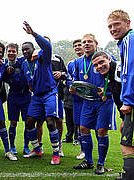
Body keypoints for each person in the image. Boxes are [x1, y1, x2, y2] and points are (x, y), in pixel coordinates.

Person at [71, 34, 116, 175]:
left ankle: (101, 163)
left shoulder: (105, 58)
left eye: (89, 41)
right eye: (84, 42)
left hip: (104, 101)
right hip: (87, 101)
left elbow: (114, 79)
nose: (86, 44)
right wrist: (73, 88)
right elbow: (75, 80)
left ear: (96, 43)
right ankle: (88, 161)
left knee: (101, 131)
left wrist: (106, 90)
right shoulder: (78, 62)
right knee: (83, 128)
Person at [21, 21, 61, 165]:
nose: (25, 52)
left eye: (28, 49)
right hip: (36, 96)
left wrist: (34, 34)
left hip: (50, 93)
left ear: (34, 49)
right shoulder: (24, 63)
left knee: (51, 122)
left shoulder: (43, 57)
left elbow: (47, 46)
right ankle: (37, 149)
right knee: (30, 122)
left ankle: (56, 153)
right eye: (23, 50)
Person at [107, 9, 134, 179]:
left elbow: (129, 72)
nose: (112, 28)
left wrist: (128, 100)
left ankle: (128, 176)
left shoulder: (128, 40)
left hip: (132, 101)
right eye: (110, 26)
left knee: (127, 142)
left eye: (117, 24)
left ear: (128, 23)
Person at [3, 43, 31, 155]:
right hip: (13, 96)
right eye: (9, 51)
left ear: (17, 52)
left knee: (28, 122)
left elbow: (33, 54)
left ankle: (26, 146)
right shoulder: (4, 65)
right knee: (13, 122)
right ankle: (12, 146)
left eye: (13, 51)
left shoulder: (22, 61)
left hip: (25, 96)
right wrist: (7, 73)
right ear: (6, 53)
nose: (11, 53)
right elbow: (2, 79)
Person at [45, 36, 67, 157]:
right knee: (39, 122)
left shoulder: (57, 58)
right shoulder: (37, 57)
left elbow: (66, 73)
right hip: (41, 94)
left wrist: (61, 73)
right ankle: (38, 147)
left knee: (58, 120)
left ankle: (59, 145)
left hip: (57, 94)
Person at [66, 39, 86, 160]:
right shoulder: (71, 63)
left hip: (89, 99)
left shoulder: (91, 60)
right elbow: (69, 79)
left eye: (80, 45)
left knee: (98, 128)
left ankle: (100, 154)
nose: (78, 47)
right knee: (80, 126)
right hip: (77, 99)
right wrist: (70, 86)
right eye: (75, 46)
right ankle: (83, 150)